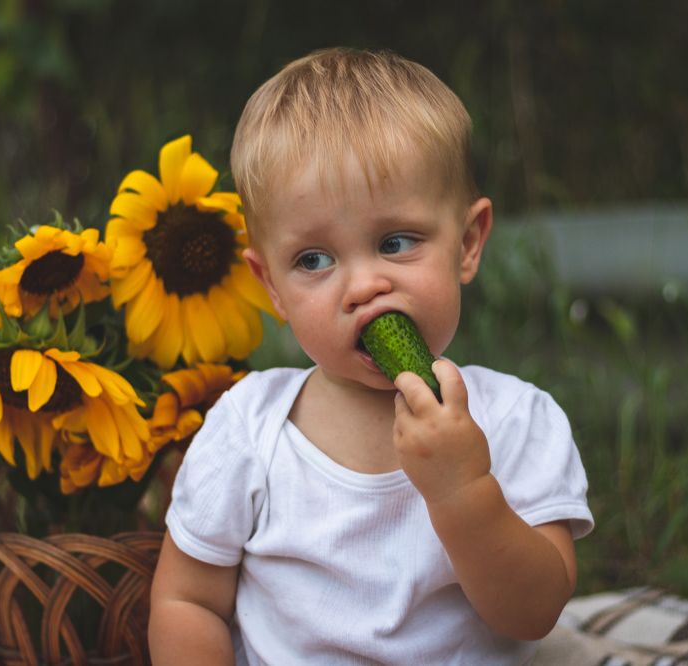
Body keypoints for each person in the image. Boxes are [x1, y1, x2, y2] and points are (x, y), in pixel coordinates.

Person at [148, 47, 593, 665]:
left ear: (467, 243)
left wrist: (462, 491)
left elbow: (534, 612)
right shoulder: (249, 428)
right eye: (313, 260)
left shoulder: (517, 419)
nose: (362, 287)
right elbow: (187, 602)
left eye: (395, 242)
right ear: (271, 284)